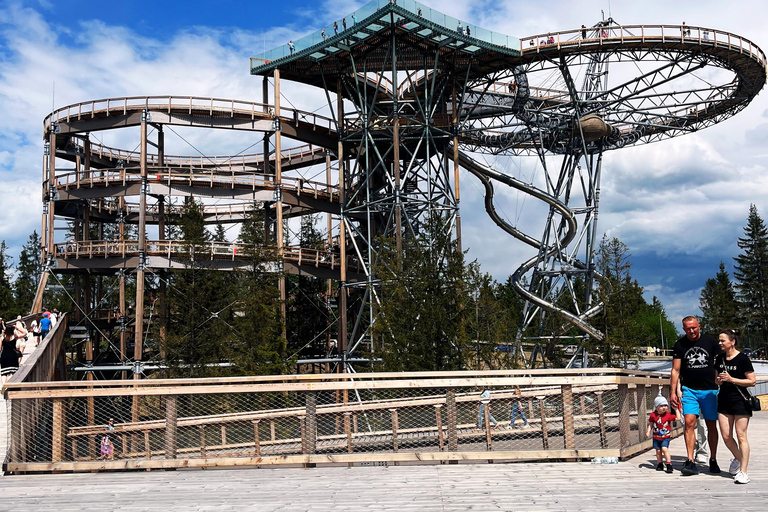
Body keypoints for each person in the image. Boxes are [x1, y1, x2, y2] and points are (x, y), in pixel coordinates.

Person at [670, 316, 722, 475]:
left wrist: (722, 381)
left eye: (694, 327)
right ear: (684, 329)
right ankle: (690, 460)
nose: (691, 331)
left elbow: (721, 363)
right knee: (689, 422)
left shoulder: (710, 342)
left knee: (711, 424)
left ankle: (713, 459)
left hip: (710, 390)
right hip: (689, 390)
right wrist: (673, 392)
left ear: (699, 326)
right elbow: (675, 370)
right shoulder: (680, 344)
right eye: (688, 329)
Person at [715, 328, 756, 484]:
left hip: (740, 401)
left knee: (741, 436)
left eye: (722, 340)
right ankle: (739, 459)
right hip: (724, 400)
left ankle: (744, 472)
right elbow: (716, 380)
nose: (720, 343)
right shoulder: (719, 359)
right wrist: (719, 381)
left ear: (732, 342)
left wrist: (732, 379)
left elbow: (752, 381)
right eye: (719, 340)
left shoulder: (743, 359)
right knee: (726, 436)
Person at [647, 395, 680, 473]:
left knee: (664, 449)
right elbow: (651, 424)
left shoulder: (668, 415)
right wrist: (648, 431)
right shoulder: (653, 415)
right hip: (656, 437)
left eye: (665, 405)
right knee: (658, 451)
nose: (664, 407)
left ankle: (669, 464)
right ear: (657, 407)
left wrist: (676, 410)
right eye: (661, 406)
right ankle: (660, 463)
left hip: (665, 437)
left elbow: (678, 418)